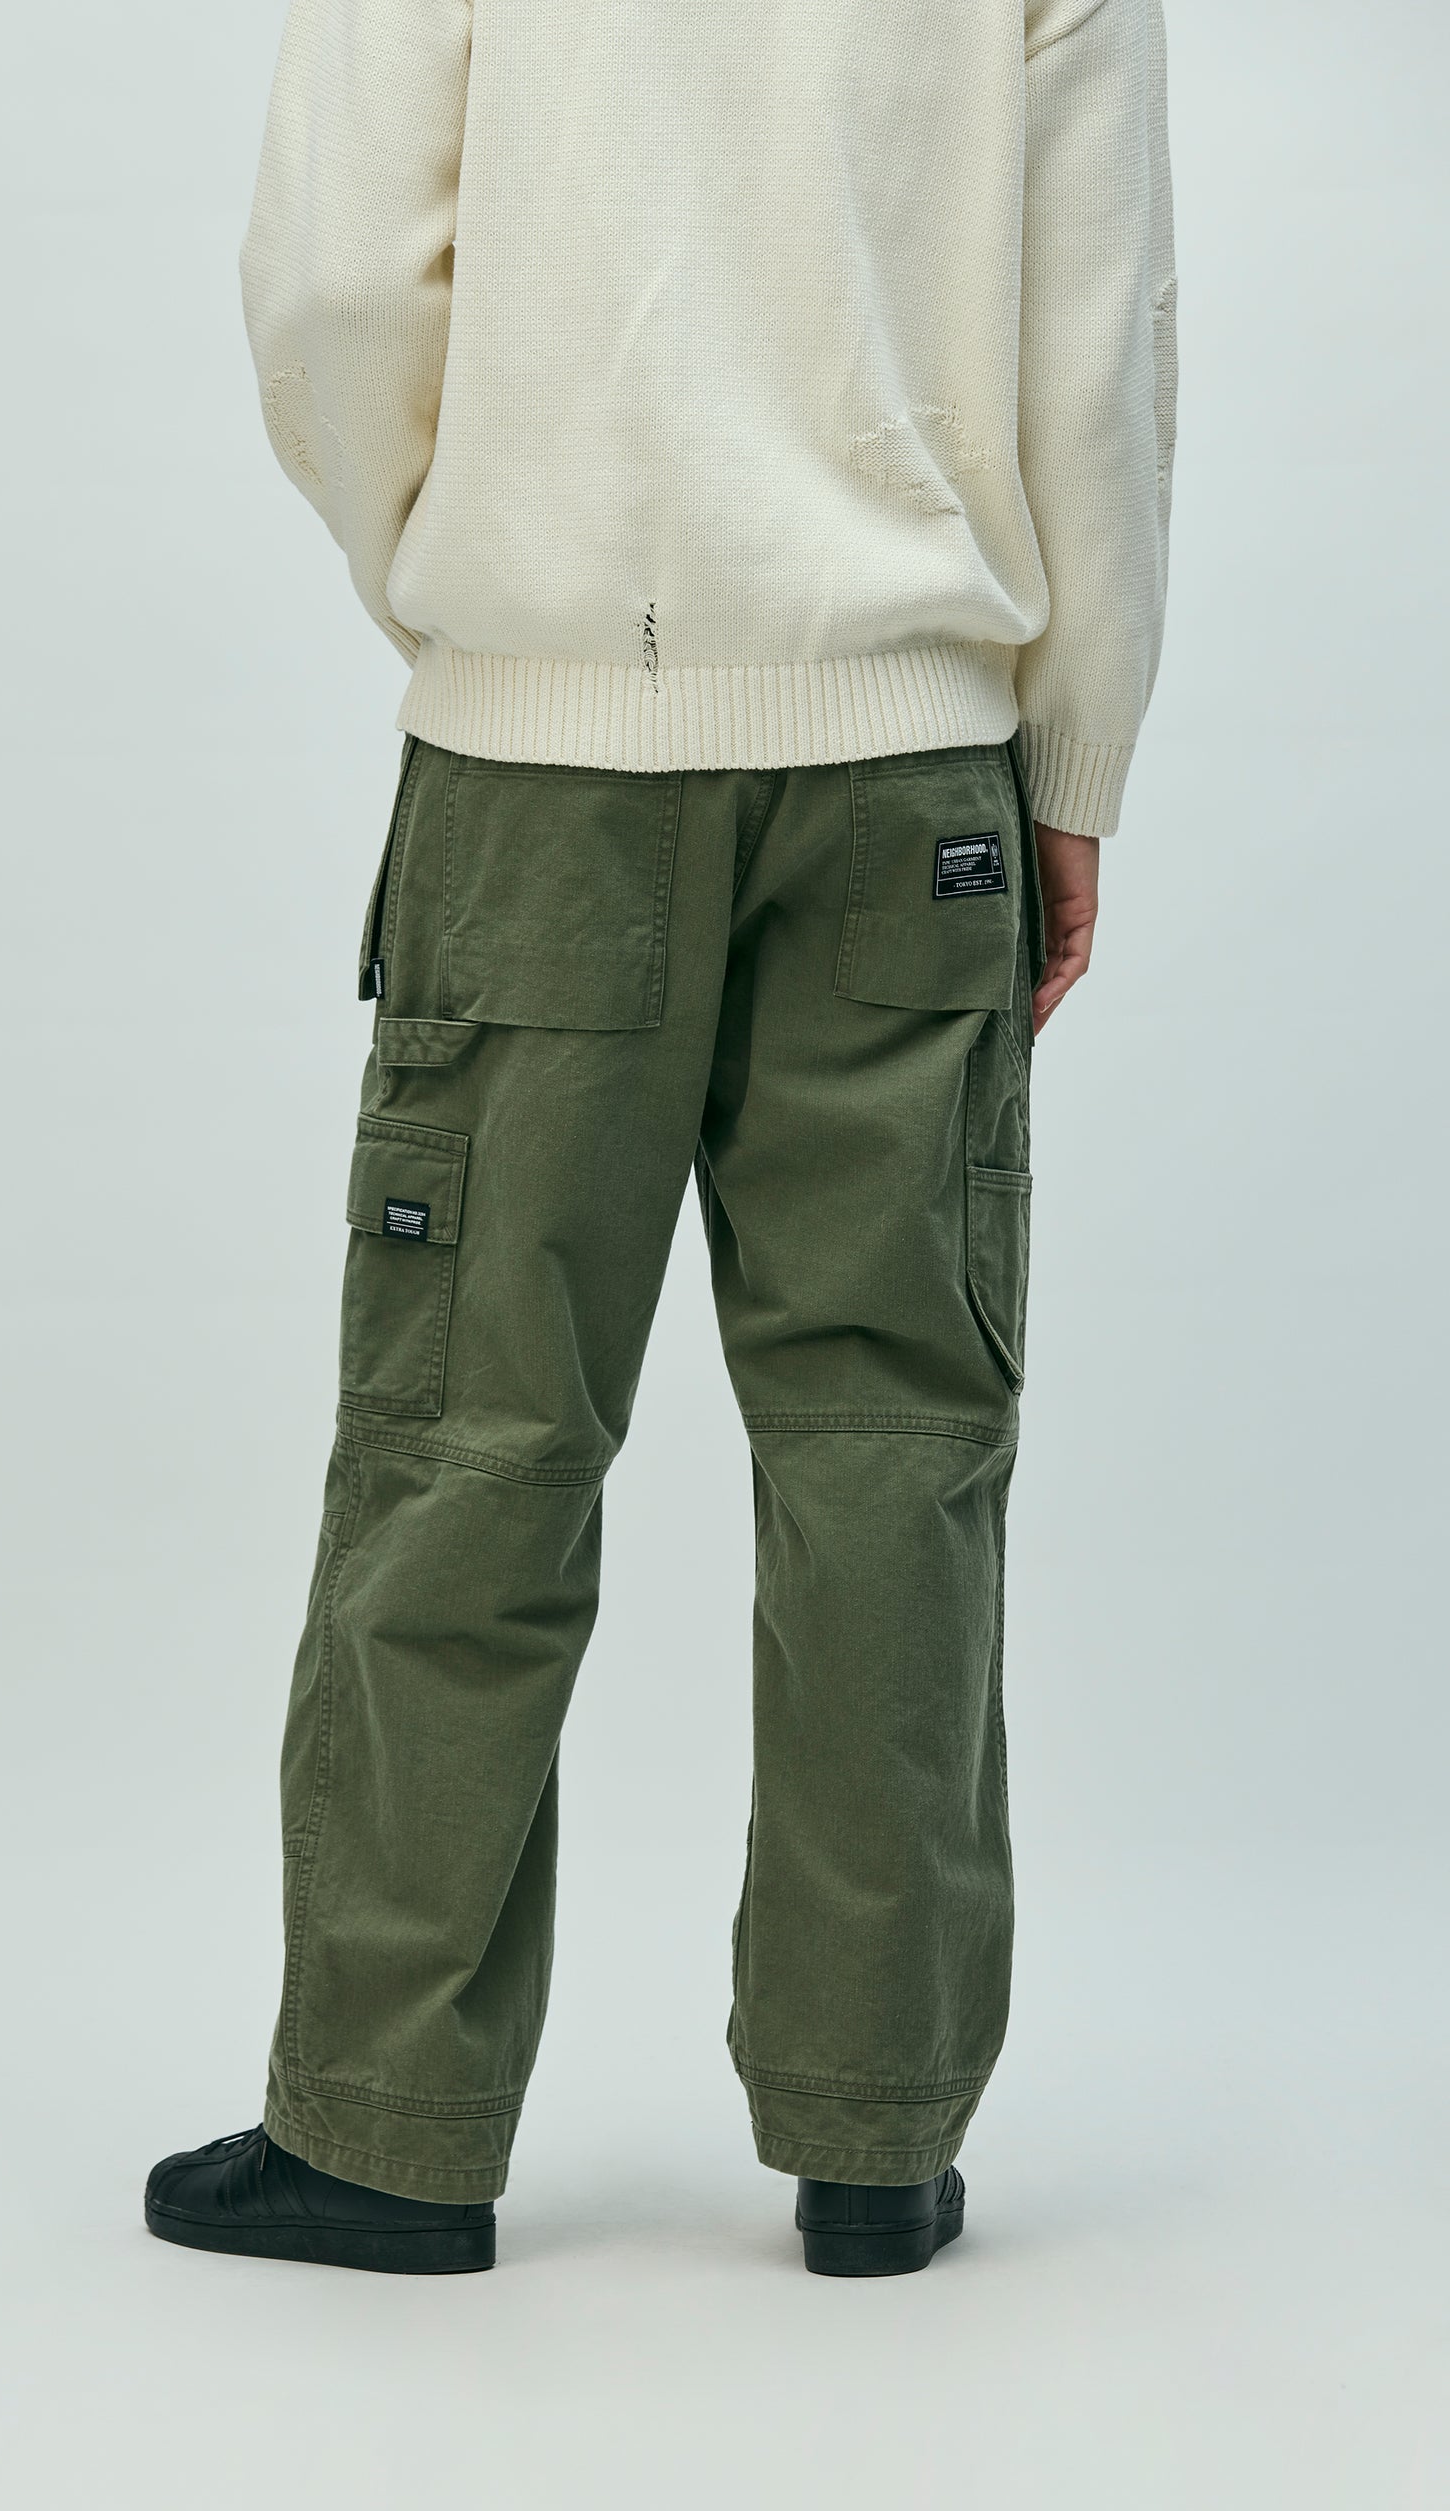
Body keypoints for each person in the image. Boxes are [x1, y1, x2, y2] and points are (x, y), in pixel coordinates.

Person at [145, 0, 1175, 2278]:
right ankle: (876, 2136)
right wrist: (1077, 750)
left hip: (541, 775)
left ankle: (387, 2133)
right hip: (912, 766)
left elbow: (335, 278)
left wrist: (479, 576)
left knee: (470, 1438)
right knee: (892, 1445)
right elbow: (1095, 335)